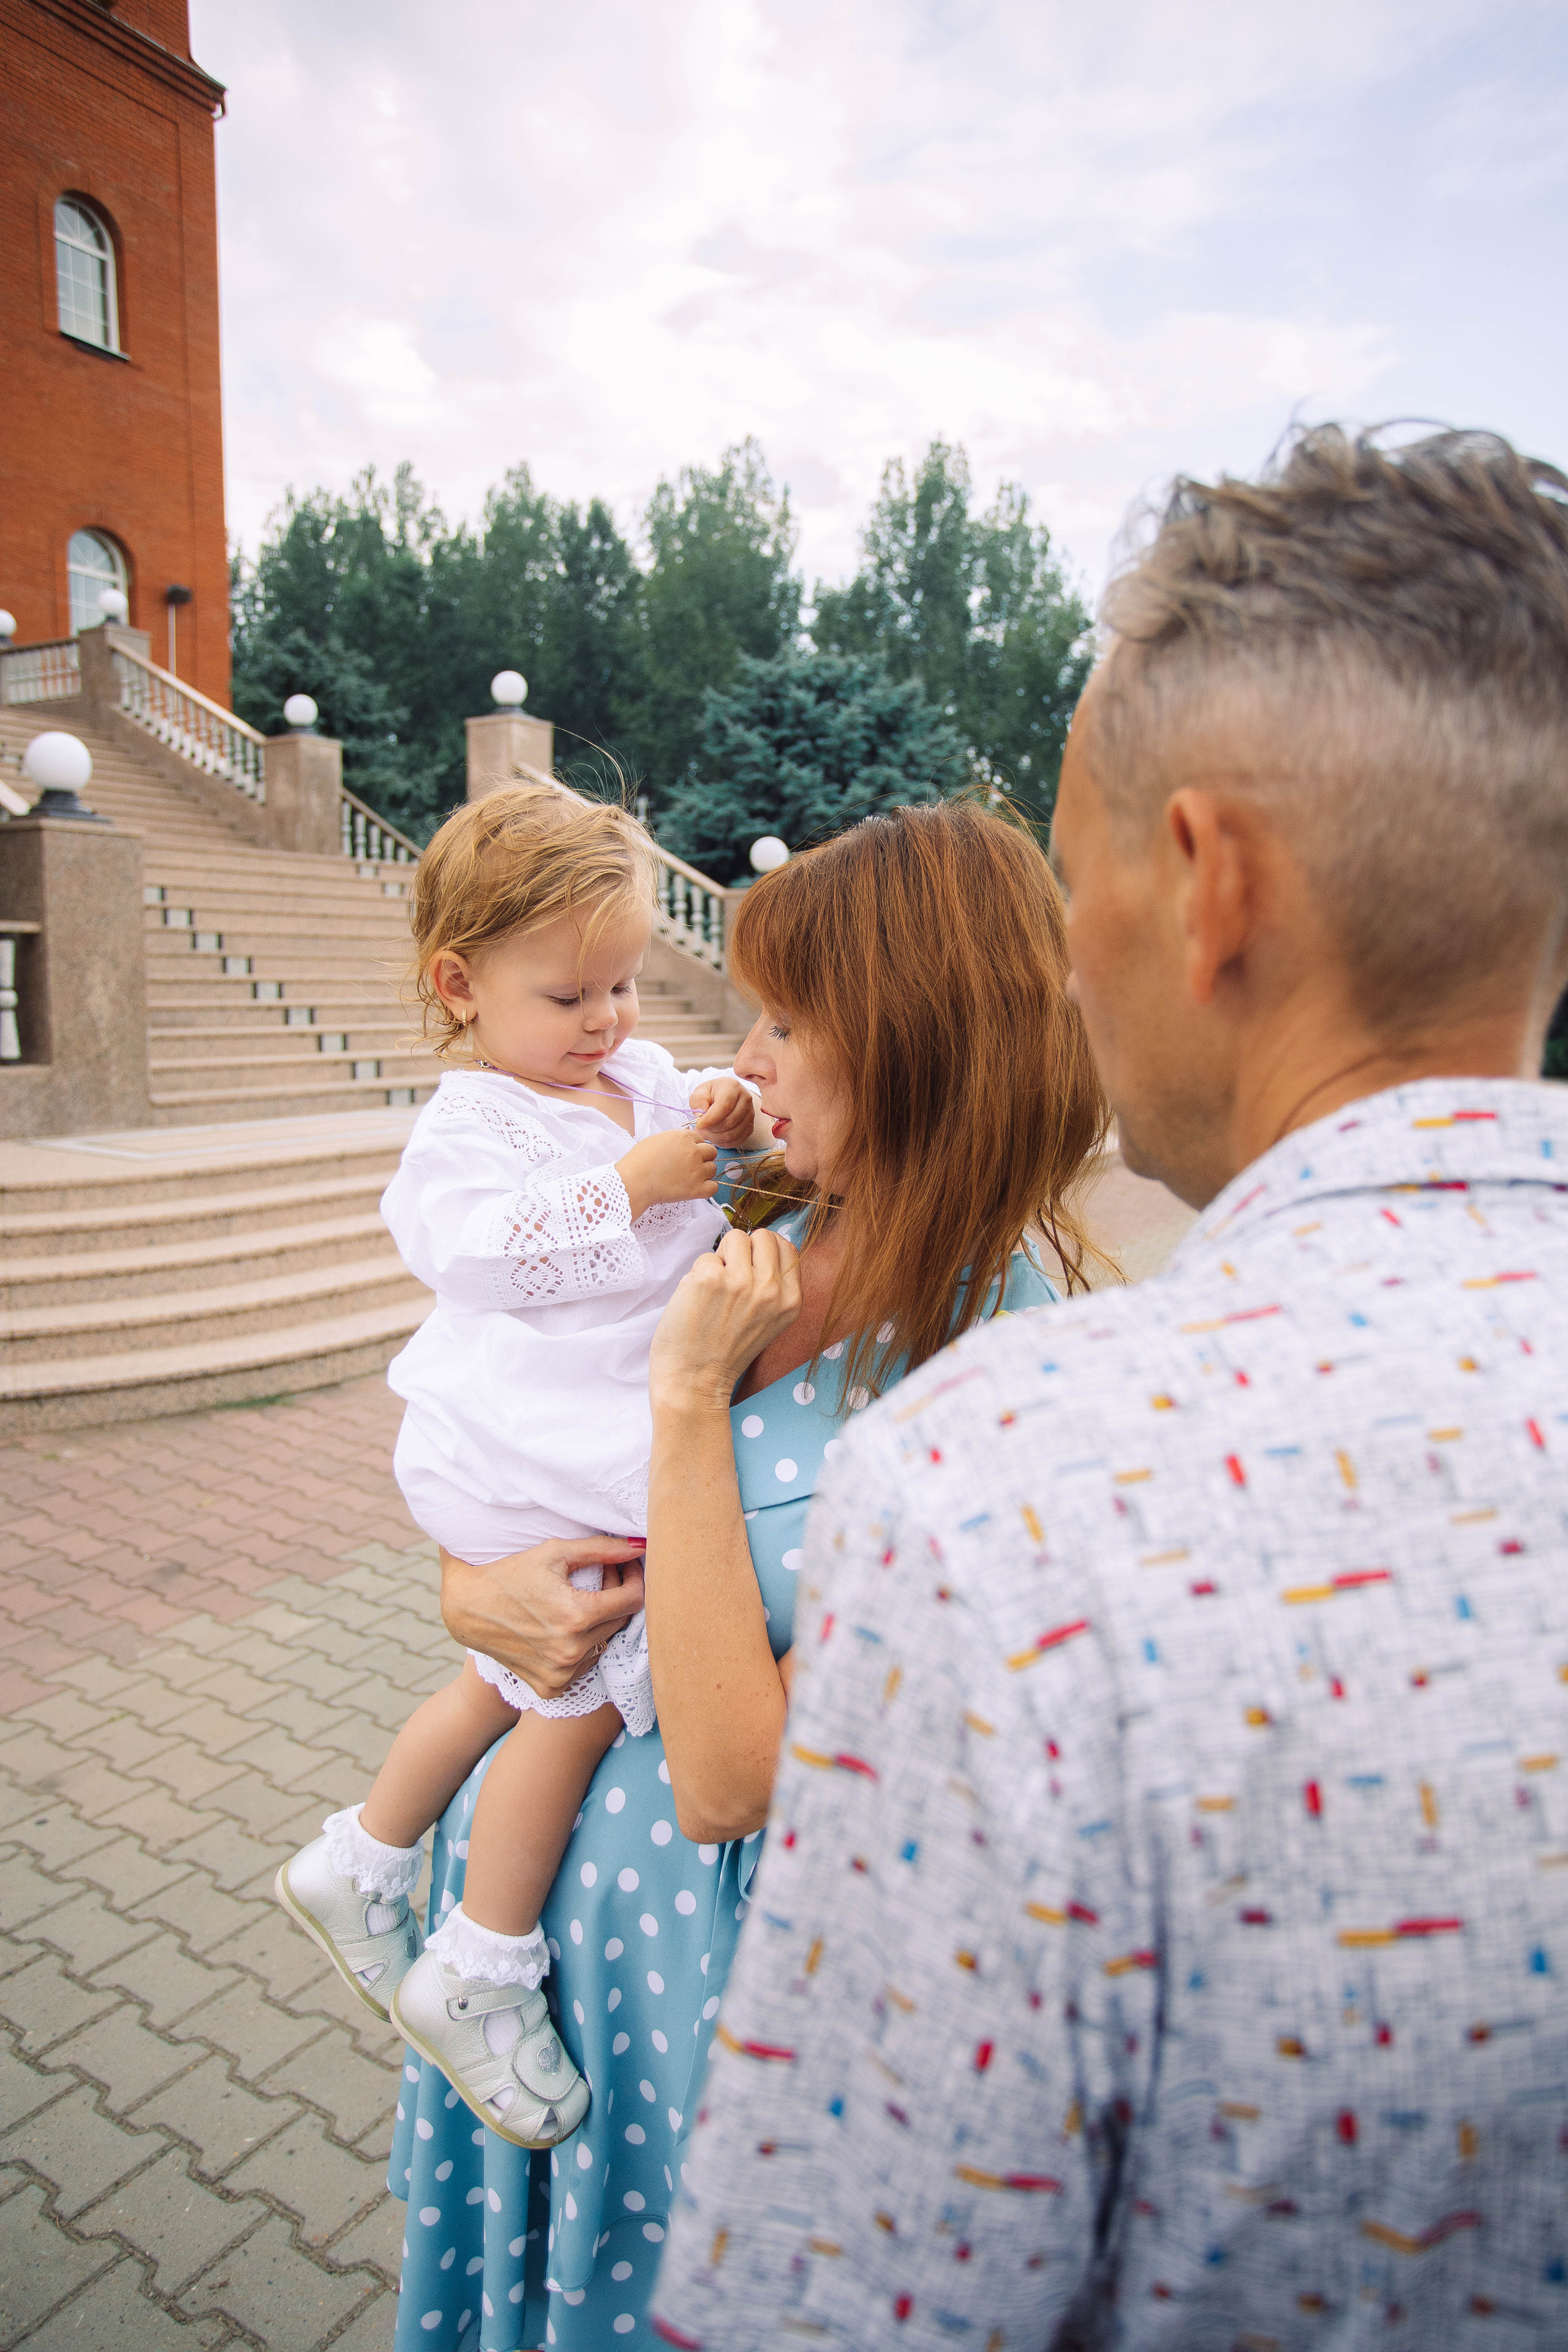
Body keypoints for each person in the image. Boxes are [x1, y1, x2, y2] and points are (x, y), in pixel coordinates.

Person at [652, 424, 1568, 2351]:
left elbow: (845, 2295)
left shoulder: (1005, 1482)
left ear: (1209, 882)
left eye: (1076, 891)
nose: (1066, 972)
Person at [388, 796, 1109, 2350]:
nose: (748, 1053)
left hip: (722, 1975)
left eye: (791, 1019)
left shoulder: (990, 1351)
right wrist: (471, 1589)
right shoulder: (757, 1198)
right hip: (541, 1939)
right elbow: (509, 1434)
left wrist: (680, 1406)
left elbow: (733, 1776)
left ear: (913, 1043)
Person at [274, 782, 762, 2144]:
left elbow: (704, 1115)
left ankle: (363, 1855)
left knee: (508, 1677)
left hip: (586, 1429)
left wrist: (714, 1108)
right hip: (525, 1437)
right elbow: (472, 1255)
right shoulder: (471, 1125)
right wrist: (636, 1185)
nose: (607, 1020)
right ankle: (479, 1964)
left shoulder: (631, 1077)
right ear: (461, 983)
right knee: (586, 1684)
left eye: (622, 984)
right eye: (569, 996)